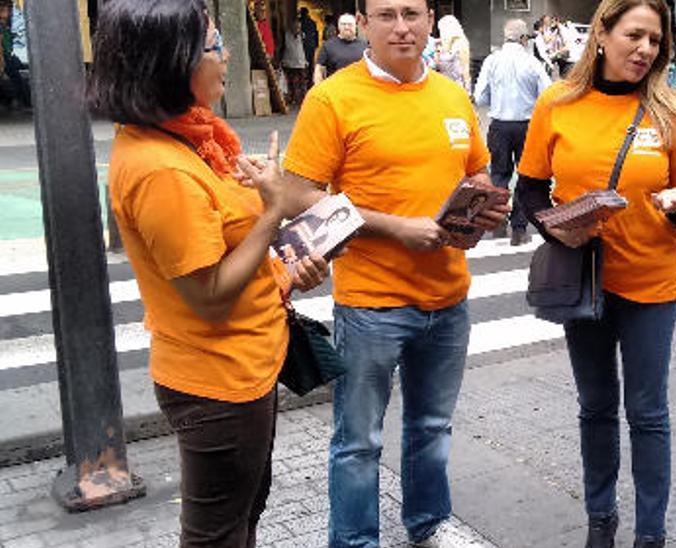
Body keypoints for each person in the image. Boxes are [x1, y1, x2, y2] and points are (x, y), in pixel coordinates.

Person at [87, 0, 329, 544]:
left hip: (246, 365)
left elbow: (228, 252)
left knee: (243, 515)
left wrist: (286, 270)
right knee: (217, 533)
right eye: (214, 46)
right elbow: (211, 296)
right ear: (171, 62)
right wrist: (271, 211)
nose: (224, 58)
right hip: (218, 383)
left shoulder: (196, 141)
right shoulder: (161, 169)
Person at [280, 0, 509, 544]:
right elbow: (296, 196)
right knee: (358, 440)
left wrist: (483, 207)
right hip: (371, 304)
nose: (401, 27)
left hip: (449, 298)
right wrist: (396, 228)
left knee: (431, 428)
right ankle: (356, 541)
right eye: (386, 15)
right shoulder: (334, 98)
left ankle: (428, 523)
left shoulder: (453, 95)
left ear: (430, 21)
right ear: (364, 25)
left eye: (411, 14)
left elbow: (474, 170)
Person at [514, 1, 676, 546]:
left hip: (651, 285)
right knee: (595, 406)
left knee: (647, 412)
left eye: (655, 41)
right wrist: (560, 231)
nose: (645, 50)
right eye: (635, 36)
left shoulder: (674, 112)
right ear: (601, 33)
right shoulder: (557, 103)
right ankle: (601, 519)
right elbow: (528, 190)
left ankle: (651, 532)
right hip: (586, 282)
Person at [474, 18, 552, 246]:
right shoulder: (532, 62)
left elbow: (480, 96)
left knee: (499, 173)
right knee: (525, 175)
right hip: (527, 124)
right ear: (524, 38)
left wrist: (497, 99)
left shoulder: (492, 60)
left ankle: (497, 219)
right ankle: (519, 228)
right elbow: (547, 95)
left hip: (498, 122)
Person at [314, 13, 367, 86]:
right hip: (335, 90)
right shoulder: (328, 45)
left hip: (359, 89)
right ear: (338, 26)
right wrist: (318, 88)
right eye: (343, 24)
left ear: (356, 26)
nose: (347, 27)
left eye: (350, 24)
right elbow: (319, 68)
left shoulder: (365, 46)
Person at [435, 15, 471, 92]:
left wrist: (468, 89)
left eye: (441, 29)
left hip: (456, 86)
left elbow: (465, 67)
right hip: (442, 85)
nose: (441, 32)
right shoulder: (441, 44)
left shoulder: (460, 43)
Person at [280, 20, 310, 105]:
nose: (297, 29)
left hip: (301, 62)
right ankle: (292, 98)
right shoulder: (286, 35)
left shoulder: (303, 36)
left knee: (302, 82)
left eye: (298, 27)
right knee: (291, 82)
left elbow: (307, 49)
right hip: (289, 62)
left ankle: (303, 98)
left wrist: (307, 60)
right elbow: (282, 47)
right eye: (296, 27)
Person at [299, 7, 319, 75]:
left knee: (304, 60)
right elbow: (316, 33)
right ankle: (310, 77)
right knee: (311, 61)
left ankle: (305, 76)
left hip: (303, 44)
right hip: (311, 44)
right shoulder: (312, 22)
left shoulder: (300, 22)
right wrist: (316, 43)